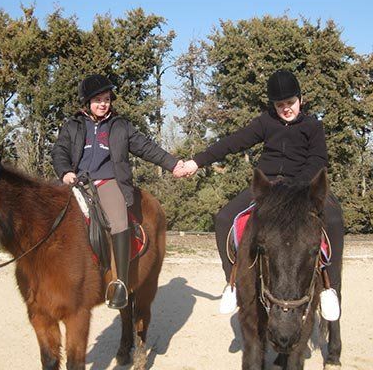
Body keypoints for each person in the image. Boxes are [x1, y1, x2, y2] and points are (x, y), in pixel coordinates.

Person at [175, 70, 344, 315]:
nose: (286, 109)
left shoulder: (313, 126)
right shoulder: (266, 122)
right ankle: (232, 283)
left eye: (290, 103)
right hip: (268, 186)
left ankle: (331, 287)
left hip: (303, 187)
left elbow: (318, 159)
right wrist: (196, 162)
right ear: (273, 105)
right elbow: (233, 142)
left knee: (335, 219)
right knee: (224, 219)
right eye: (280, 105)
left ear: (300, 99)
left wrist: (298, 186)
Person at [52, 74, 184, 310]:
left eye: (106, 99)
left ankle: (120, 282)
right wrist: (64, 172)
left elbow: (146, 147)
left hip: (106, 182)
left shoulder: (120, 126)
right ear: (86, 102)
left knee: (119, 221)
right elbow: (60, 151)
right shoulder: (72, 125)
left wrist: (173, 164)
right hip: (75, 182)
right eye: (97, 100)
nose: (103, 104)